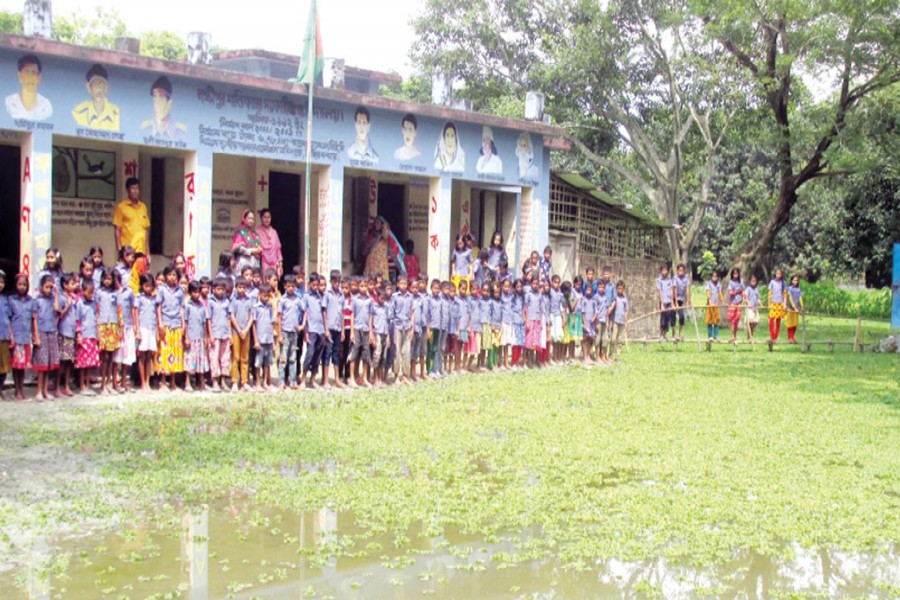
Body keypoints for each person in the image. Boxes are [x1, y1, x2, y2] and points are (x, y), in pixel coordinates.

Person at [155, 263, 185, 391]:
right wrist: (160, 323)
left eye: (174, 275)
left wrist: (183, 325)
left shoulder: (180, 291)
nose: (172, 277)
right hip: (166, 324)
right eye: (169, 275)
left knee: (175, 353)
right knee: (164, 352)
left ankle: (172, 381)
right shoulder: (161, 289)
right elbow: (158, 307)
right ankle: (163, 381)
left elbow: (181, 308)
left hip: (177, 324)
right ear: (166, 276)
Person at [32, 274, 60, 401]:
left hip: (51, 332)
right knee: (41, 365)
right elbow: (35, 319)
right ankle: (38, 391)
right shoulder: (37, 300)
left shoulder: (52, 298)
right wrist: (36, 336)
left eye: (51, 287)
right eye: (46, 287)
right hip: (42, 333)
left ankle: (45, 391)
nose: (49, 289)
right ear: (41, 287)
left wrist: (56, 293)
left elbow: (56, 308)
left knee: (48, 364)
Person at [72, 63, 120, 130]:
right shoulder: (78, 112)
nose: (98, 88)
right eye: (95, 84)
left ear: (106, 87)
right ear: (89, 87)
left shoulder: (117, 114)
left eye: (101, 83)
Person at [113, 270, 138, 394]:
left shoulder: (128, 292)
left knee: (126, 357)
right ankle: (114, 382)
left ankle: (123, 381)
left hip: (128, 326)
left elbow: (134, 310)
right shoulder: (111, 293)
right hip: (115, 328)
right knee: (116, 357)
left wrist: (135, 327)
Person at [6, 54, 53, 121]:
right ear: (20, 76)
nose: (30, 78)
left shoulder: (45, 106)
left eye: (33, 73)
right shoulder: (10, 102)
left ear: (39, 78)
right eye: (27, 72)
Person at [113, 178, 151, 258]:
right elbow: (117, 230)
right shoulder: (121, 207)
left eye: (137, 188)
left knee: (141, 270)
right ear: (128, 190)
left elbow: (146, 231)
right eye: (133, 188)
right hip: (128, 252)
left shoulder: (143, 207)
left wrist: (148, 253)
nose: (135, 191)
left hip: (141, 250)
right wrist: (120, 250)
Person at [278, 275, 304, 390]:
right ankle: (281, 382)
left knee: (293, 357)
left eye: (293, 286)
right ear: (284, 286)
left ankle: (293, 381)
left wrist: (302, 325)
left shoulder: (298, 299)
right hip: (285, 331)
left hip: (294, 332)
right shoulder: (282, 300)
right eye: (288, 286)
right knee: (283, 358)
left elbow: (305, 311)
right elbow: (279, 317)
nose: (291, 288)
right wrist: (279, 334)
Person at [183, 281, 209, 392]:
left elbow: (204, 323)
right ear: (189, 292)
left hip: (200, 338)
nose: (197, 295)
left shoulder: (202, 306)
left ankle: (202, 383)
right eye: (194, 292)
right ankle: (187, 382)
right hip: (191, 337)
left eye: (198, 292)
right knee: (190, 361)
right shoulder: (188, 306)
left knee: (201, 361)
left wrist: (206, 337)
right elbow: (186, 322)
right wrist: (186, 337)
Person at [141, 76, 186, 140]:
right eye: (155, 97)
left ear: (169, 102)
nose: (157, 102)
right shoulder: (146, 129)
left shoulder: (179, 132)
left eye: (161, 97)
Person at [74, 280, 99, 395]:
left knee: (90, 363)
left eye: (92, 293)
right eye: (89, 292)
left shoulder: (94, 303)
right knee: (82, 364)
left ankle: (88, 385)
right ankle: (81, 385)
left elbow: (95, 317)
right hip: (83, 336)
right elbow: (77, 320)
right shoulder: (80, 303)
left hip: (92, 335)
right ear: (83, 291)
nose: (91, 295)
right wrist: (78, 334)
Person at [302, 273, 327, 388]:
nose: (316, 287)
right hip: (311, 330)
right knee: (310, 354)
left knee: (318, 356)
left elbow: (323, 313)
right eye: (313, 285)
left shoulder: (320, 297)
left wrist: (326, 330)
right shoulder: (306, 297)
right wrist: (305, 332)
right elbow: (305, 314)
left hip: (320, 330)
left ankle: (312, 380)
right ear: (309, 284)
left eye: (317, 285)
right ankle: (303, 379)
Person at [230, 277, 255, 391]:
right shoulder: (233, 300)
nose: (241, 290)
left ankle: (244, 382)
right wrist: (239, 330)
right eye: (239, 287)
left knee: (245, 357)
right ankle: (234, 381)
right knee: (236, 357)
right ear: (236, 288)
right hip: (236, 332)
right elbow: (231, 316)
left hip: (246, 333)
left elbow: (251, 317)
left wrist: (245, 330)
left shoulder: (249, 300)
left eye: (243, 287)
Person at [348, 278, 373, 387]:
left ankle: (364, 378)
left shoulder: (370, 300)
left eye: (365, 286)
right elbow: (352, 315)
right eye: (361, 286)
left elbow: (370, 316)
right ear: (358, 286)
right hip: (357, 329)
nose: (363, 288)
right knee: (354, 353)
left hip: (366, 329)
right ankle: (352, 378)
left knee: (366, 353)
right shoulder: (355, 299)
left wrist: (371, 332)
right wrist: (352, 332)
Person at [135, 274, 158, 392]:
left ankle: (148, 382)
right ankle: (143, 382)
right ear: (142, 286)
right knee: (142, 356)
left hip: (151, 328)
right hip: (143, 328)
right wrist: (137, 330)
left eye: (150, 286)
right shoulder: (139, 297)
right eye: (146, 286)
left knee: (149, 356)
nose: (148, 288)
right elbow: (135, 313)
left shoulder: (154, 299)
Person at [253, 285, 277, 391]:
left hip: (268, 339)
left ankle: (265, 382)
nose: (266, 298)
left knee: (267, 363)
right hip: (260, 339)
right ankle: (257, 382)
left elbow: (272, 323)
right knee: (258, 362)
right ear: (259, 296)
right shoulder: (256, 307)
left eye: (268, 296)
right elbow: (254, 324)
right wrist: (255, 340)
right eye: (264, 296)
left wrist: (272, 341)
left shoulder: (269, 307)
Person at [364, 217, 396, 281]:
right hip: (371, 264)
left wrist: (385, 226)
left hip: (381, 264)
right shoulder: (371, 235)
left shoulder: (384, 236)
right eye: (375, 223)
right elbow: (366, 249)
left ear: (382, 224)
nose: (376, 224)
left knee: (382, 282)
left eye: (378, 223)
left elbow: (387, 235)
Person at [256, 208, 284, 279]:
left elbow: (278, 250)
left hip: (274, 263)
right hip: (263, 262)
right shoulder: (257, 231)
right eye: (265, 217)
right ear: (261, 218)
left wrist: (280, 265)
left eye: (268, 217)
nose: (267, 219)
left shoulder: (274, 232)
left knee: (274, 283)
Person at [232, 210, 262, 275]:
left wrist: (259, 250)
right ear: (244, 219)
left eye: (252, 219)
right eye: (249, 218)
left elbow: (258, 247)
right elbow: (236, 248)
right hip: (242, 265)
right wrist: (251, 251)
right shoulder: (240, 232)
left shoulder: (255, 234)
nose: (251, 221)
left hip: (254, 265)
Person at [608, 281, 629, 361]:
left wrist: (626, 322)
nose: (620, 290)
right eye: (618, 288)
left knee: (619, 340)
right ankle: (610, 355)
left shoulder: (625, 299)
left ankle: (618, 356)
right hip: (615, 321)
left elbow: (626, 311)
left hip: (622, 322)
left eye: (621, 288)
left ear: (624, 289)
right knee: (613, 339)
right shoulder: (615, 298)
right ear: (616, 289)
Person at [726, 268, 745, 343]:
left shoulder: (741, 281)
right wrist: (737, 291)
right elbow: (731, 293)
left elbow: (743, 290)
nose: (735, 275)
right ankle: (732, 336)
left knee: (737, 319)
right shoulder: (731, 282)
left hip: (739, 302)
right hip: (733, 302)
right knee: (732, 320)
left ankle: (735, 335)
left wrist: (743, 297)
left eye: (736, 274)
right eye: (734, 274)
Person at [768, 269, 787, 342]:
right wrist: (769, 304)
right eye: (777, 274)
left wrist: (784, 303)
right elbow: (770, 293)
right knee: (771, 319)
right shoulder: (772, 282)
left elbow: (785, 294)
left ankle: (776, 337)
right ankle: (772, 336)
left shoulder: (783, 283)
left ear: (781, 275)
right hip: (773, 303)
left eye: (779, 274)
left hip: (780, 303)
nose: (778, 275)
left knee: (778, 320)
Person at [0, 271, 10, 400]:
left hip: (4, 336)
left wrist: (11, 335)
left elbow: (8, 319)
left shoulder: (6, 300)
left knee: (4, 366)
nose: (0, 284)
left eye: (2, 282)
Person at [705, 271, 724, 341]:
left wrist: (722, 301)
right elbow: (708, 292)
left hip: (716, 304)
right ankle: (710, 336)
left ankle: (715, 336)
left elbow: (720, 293)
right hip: (710, 304)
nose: (714, 278)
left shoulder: (719, 284)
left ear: (718, 277)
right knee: (709, 320)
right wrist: (708, 298)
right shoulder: (708, 284)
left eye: (716, 276)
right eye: (713, 276)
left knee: (716, 320)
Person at [673, 264, 691, 340]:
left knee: (682, 317)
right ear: (677, 271)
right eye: (679, 270)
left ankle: (680, 333)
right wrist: (676, 303)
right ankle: (674, 334)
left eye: (682, 270)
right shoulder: (675, 278)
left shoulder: (686, 278)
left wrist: (688, 301)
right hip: (674, 299)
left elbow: (687, 289)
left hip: (681, 299)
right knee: (673, 317)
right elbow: (675, 289)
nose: (681, 272)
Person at [786, 275, 804, 344]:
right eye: (794, 280)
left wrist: (802, 306)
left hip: (797, 309)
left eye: (796, 280)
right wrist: (794, 307)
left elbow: (800, 298)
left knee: (795, 323)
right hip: (790, 308)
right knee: (790, 323)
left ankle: (793, 337)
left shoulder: (799, 289)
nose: (795, 282)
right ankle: (790, 337)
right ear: (791, 281)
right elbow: (790, 298)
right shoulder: (790, 288)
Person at [745, 275, 761, 341]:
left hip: (755, 309)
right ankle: (749, 337)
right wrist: (748, 303)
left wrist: (761, 304)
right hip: (749, 308)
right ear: (750, 281)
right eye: (752, 281)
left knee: (756, 322)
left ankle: (750, 336)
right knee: (750, 322)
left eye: (754, 281)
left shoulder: (756, 289)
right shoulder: (748, 289)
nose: (753, 282)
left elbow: (758, 298)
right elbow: (745, 297)